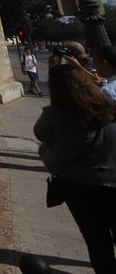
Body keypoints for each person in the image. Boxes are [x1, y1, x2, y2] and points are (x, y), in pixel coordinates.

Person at [33, 61, 116, 274]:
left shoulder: (56, 114)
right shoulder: (109, 105)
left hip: (78, 185)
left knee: (97, 242)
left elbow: (41, 134)